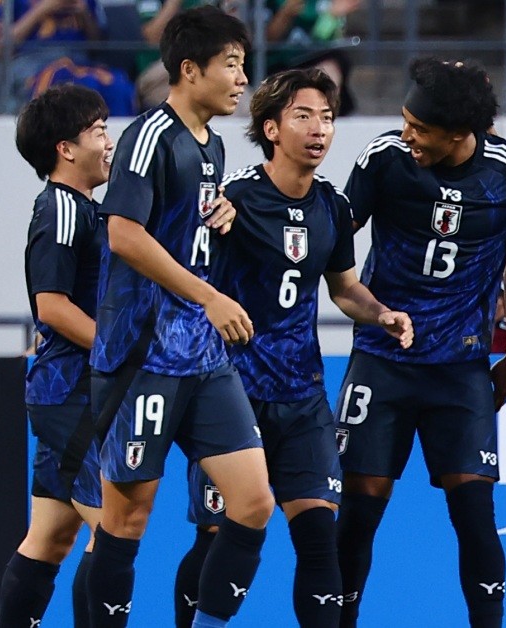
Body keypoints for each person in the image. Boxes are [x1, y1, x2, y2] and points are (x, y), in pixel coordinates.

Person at [170, 67, 414, 628]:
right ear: (271, 128)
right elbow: (183, 271)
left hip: (302, 397)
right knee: (217, 535)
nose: (319, 129)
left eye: (327, 118)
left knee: (319, 536)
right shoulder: (232, 199)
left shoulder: (333, 206)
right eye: (303, 116)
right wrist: (209, 225)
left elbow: (345, 287)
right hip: (231, 394)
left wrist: (382, 314)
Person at [335, 57, 506, 628]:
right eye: (404, 122)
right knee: (357, 513)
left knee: (475, 514)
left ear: (460, 134)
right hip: (382, 361)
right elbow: (334, 233)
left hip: (461, 367)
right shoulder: (384, 159)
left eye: (419, 130)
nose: (406, 136)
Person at [84, 7, 273, 628]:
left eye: (244, 66)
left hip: (201, 356)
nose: (243, 79)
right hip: (143, 355)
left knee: (252, 502)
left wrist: (214, 217)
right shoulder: (148, 134)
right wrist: (209, 297)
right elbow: (124, 235)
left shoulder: (212, 145)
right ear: (189, 70)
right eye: (232, 65)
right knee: (126, 520)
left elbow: (173, 228)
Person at [0, 84, 113, 628]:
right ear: (66, 149)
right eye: (99, 131)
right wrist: (121, 352)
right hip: (70, 396)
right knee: (115, 529)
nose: (109, 142)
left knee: (50, 536)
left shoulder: (88, 210)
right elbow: (52, 308)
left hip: (74, 393)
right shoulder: (62, 210)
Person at [0, 0, 135, 115]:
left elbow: (97, 45)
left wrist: (83, 13)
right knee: (67, 83)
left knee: (118, 85)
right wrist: (44, 8)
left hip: (81, 60)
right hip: (33, 63)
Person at [264, 0, 362, 115]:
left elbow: (321, 38)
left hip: (315, 58)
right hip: (279, 64)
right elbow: (267, 40)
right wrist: (285, 14)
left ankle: (324, 112)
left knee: (330, 66)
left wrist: (331, 17)